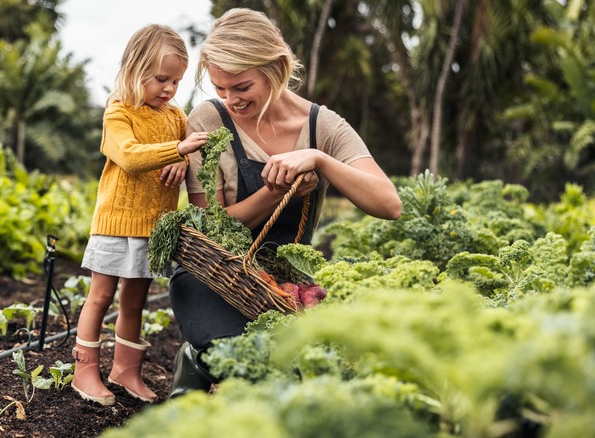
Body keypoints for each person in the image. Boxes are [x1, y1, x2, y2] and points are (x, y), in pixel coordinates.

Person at [167, 8, 402, 398]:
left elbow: (388, 203)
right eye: (220, 88)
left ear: (275, 68)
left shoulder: (321, 126)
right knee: (248, 357)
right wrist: (273, 192)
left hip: (284, 284)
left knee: (309, 366)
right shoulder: (208, 121)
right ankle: (198, 360)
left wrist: (320, 159)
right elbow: (210, 230)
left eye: (242, 87)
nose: (231, 99)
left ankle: (202, 365)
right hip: (215, 276)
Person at [73, 24, 208, 406]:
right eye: (161, 79)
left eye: (176, 82)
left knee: (136, 302)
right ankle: (84, 372)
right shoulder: (119, 112)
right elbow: (131, 157)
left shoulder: (175, 116)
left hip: (154, 228)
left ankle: (125, 371)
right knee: (100, 297)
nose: (168, 89)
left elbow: (182, 156)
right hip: (116, 224)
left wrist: (182, 161)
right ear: (135, 69)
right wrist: (178, 151)